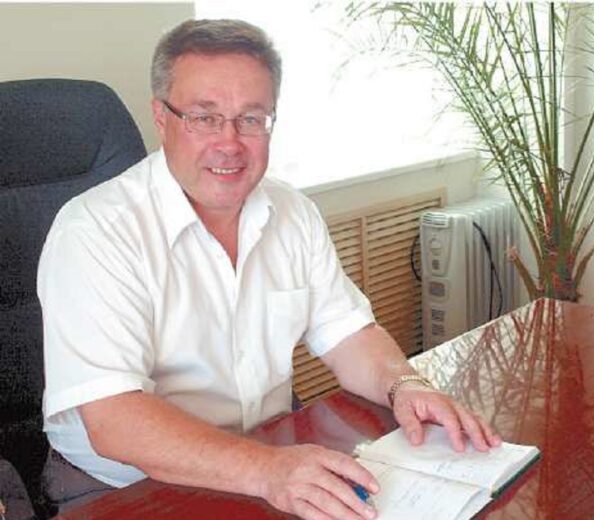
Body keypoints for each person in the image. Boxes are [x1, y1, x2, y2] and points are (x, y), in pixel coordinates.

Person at [38, 18, 501, 520]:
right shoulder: (94, 231)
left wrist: (405, 384)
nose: (229, 142)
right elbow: (115, 421)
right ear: (162, 118)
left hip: (266, 454)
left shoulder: (292, 212)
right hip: (124, 485)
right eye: (204, 117)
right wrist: (268, 470)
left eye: (251, 119)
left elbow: (348, 333)